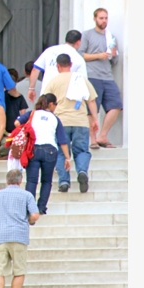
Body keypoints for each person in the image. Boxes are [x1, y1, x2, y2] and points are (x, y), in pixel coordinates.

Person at [45, 53, 100, 193]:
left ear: (57, 66)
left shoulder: (53, 81)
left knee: (61, 152)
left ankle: (64, 181)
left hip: (60, 122)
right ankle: (82, 172)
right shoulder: (80, 79)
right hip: (80, 121)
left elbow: (45, 103)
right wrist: (95, 119)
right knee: (81, 150)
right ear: (70, 65)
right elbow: (91, 100)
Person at [15, 94, 71, 215]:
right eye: (55, 104)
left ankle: (30, 209)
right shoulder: (55, 119)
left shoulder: (32, 114)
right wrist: (67, 158)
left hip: (33, 149)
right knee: (46, 181)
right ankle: (41, 207)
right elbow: (62, 141)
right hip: (50, 150)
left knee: (31, 181)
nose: (56, 107)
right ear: (50, 104)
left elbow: (17, 123)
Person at [80, 7, 123, 149]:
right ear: (95, 19)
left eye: (106, 18)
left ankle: (102, 135)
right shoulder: (87, 35)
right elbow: (80, 55)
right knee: (92, 109)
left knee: (116, 104)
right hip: (92, 75)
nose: (104, 21)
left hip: (107, 76)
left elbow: (114, 61)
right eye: (101, 18)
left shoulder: (110, 37)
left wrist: (114, 55)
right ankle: (92, 139)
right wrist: (99, 55)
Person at [27, 30, 87, 104]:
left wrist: (31, 88)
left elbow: (35, 69)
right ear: (78, 42)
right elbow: (83, 82)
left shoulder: (50, 50)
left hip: (46, 95)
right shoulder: (79, 59)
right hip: (64, 98)